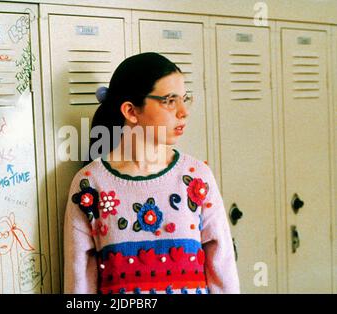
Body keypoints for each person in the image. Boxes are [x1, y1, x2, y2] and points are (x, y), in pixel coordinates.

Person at [63, 52, 239, 294]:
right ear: (131, 111)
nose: (184, 111)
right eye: (170, 100)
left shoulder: (196, 177)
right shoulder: (89, 185)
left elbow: (223, 271)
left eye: (185, 99)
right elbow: (79, 281)